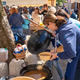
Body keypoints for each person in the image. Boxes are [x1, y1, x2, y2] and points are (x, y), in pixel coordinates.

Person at [43, 13, 80, 80]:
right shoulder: (63, 25)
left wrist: (57, 55)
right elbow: (66, 42)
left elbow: (71, 53)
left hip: (77, 56)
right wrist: (56, 48)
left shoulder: (64, 31)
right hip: (75, 52)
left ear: (50, 23)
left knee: (72, 77)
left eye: (46, 26)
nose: (47, 28)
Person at [45, 7, 64, 80]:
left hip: (54, 46)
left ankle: (62, 78)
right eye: (51, 14)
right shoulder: (47, 23)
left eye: (54, 14)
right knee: (48, 63)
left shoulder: (58, 24)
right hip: (47, 46)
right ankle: (50, 76)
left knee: (56, 64)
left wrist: (55, 34)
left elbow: (60, 35)